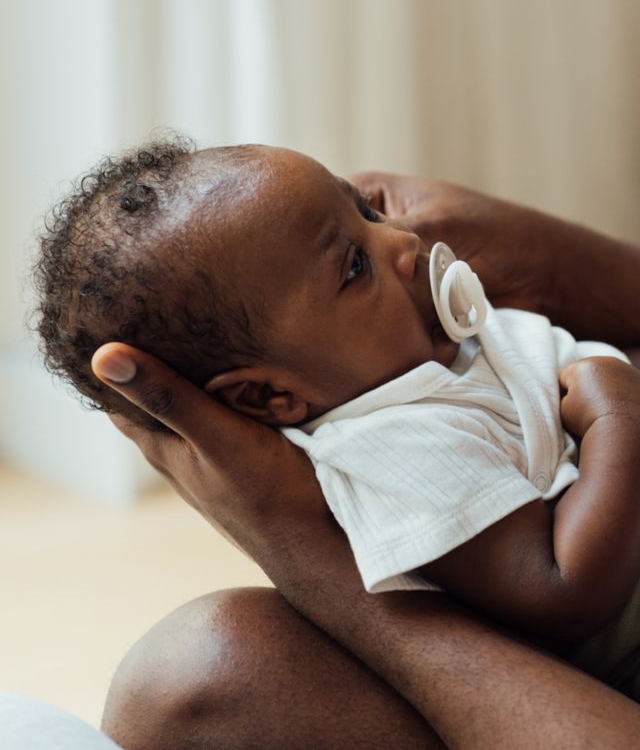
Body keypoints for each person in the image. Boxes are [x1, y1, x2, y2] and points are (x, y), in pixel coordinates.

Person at [35, 139, 640, 686]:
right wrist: (618, 415)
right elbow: (564, 588)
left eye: (370, 213)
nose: (404, 241)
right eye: (354, 265)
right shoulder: (395, 443)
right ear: (270, 397)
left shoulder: (427, 348)